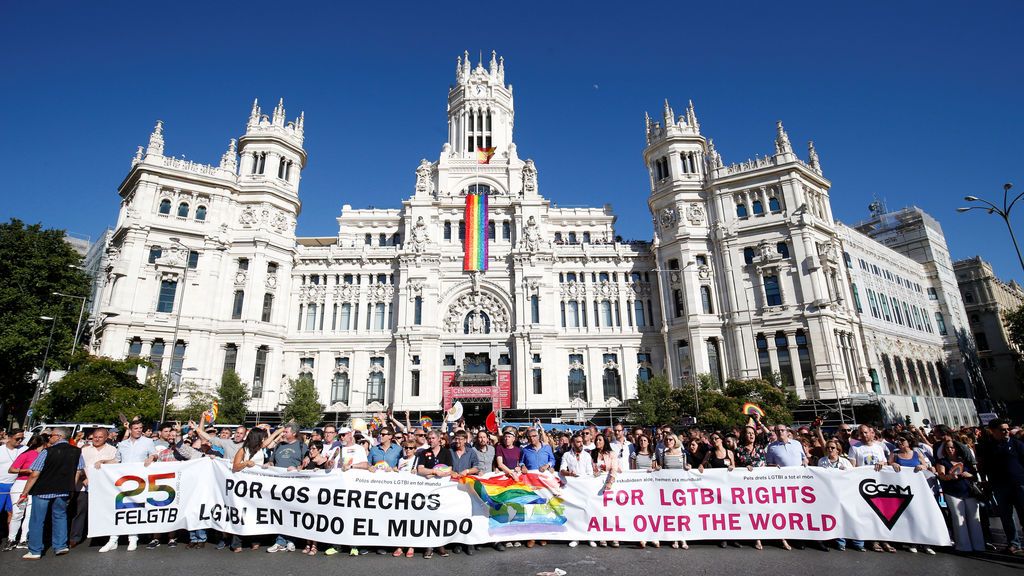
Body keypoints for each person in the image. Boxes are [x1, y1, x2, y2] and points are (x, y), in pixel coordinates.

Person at [17, 427, 84, 560]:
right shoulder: (77, 452)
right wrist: (71, 486)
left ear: (59, 436)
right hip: (63, 489)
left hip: (43, 489)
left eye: (51, 435)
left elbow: (35, 473)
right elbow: (78, 471)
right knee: (60, 516)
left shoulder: (47, 451)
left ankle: (35, 550)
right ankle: (60, 546)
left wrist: (24, 493)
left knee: (37, 520)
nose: (49, 438)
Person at [978, 418, 1024, 554]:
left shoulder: (1017, 444)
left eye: (1007, 429)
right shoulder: (986, 446)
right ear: (992, 431)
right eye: (1002, 430)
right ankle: (1014, 543)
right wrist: (984, 481)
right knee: (1006, 516)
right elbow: (982, 466)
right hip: (999, 486)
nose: (1006, 432)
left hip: (1019, 484)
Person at [847, 424, 893, 553]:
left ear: (871, 433)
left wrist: (882, 463)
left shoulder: (878, 448)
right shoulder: (855, 448)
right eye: (861, 433)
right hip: (864, 485)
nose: (864, 435)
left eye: (866, 432)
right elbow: (852, 467)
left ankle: (885, 540)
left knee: (882, 514)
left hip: (879, 484)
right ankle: (874, 540)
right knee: (869, 514)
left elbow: (885, 462)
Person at [936, 434, 985, 553]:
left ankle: (978, 545)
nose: (950, 449)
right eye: (947, 448)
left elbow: (975, 475)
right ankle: (963, 545)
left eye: (952, 447)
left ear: (957, 448)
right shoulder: (942, 461)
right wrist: (950, 476)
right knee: (958, 517)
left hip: (969, 491)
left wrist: (969, 475)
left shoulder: (965, 460)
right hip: (952, 492)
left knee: (974, 518)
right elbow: (941, 476)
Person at [70, 429, 118, 550]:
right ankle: (75, 537)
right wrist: (83, 478)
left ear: (106, 438)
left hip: (104, 487)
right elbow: (78, 467)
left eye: (100, 437)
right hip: (84, 486)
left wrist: (105, 461)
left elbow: (116, 465)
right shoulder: (84, 450)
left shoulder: (112, 450)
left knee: (104, 512)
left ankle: (103, 537)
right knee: (80, 511)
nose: (96, 439)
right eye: (94, 437)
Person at [115, 420, 157, 551]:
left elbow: (154, 454)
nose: (138, 430)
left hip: (140, 480)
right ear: (130, 429)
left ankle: (133, 538)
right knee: (119, 508)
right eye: (136, 428)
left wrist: (151, 458)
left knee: (135, 509)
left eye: (140, 428)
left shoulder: (148, 442)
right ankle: (113, 539)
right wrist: (103, 461)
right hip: (123, 480)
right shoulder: (122, 444)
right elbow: (116, 460)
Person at [765, 424, 807, 551]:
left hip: (800, 482)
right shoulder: (772, 447)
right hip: (784, 484)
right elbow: (769, 465)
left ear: (787, 431)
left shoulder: (796, 444)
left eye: (782, 430)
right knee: (788, 511)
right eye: (777, 431)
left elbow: (804, 458)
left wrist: (805, 462)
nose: (779, 432)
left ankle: (802, 538)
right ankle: (789, 537)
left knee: (801, 511)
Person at [267, 423, 307, 553]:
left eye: (285, 432)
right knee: (279, 512)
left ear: (294, 433)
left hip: (294, 484)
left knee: (292, 512)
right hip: (278, 484)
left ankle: (291, 540)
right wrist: (269, 464)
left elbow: (306, 465)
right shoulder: (279, 446)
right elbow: (273, 461)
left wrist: (297, 469)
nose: (283, 434)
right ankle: (280, 541)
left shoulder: (302, 446)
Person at [416, 430, 453, 558]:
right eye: (429, 438)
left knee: (441, 516)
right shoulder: (423, 453)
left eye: (432, 438)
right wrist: (434, 471)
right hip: (428, 489)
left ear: (438, 439)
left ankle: (441, 545)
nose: (430, 440)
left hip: (442, 489)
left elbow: (449, 469)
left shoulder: (446, 452)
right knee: (428, 516)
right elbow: (420, 469)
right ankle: (429, 546)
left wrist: (441, 473)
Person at [559, 432, 596, 549]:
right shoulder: (566, 455)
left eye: (581, 442)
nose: (581, 444)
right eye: (578, 442)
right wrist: (569, 473)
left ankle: (590, 537)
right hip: (573, 488)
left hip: (585, 487)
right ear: (572, 443)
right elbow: (562, 470)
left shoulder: (587, 455)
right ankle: (576, 537)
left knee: (588, 511)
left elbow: (590, 473)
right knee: (575, 513)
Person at [448, 430, 481, 555]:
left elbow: (477, 467)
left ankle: (469, 543)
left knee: (468, 514)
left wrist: (467, 470)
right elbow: (444, 466)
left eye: (461, 439)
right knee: (456, 515)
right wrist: (451, 472)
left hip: (467, 488)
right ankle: (458, 542)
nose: (458, 441)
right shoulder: (450, 451)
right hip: (452, 487)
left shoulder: (471, 452)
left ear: (465, 440)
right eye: (456, 439)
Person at [6, 431, 38, 550]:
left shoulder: (44, 455)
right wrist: (27, 471)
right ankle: (11, 539)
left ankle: (24, 539)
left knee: (30, 514)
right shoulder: (27, 454)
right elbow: (12, 469)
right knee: (18, 513)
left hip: (35, 486)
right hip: (21, 485)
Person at [591, 433, 621, 548]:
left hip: (609, 485)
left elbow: (614, 468)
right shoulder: (592, 453)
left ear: (605, 442)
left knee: (611, 512)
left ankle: (613, 536)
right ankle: (602, 536)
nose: (597, 442)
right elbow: (591, 468)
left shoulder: (612, 454)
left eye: (600, 440)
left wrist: (610, 481)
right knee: (599, 511)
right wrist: (594, 472)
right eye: (596, 440)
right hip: (596, 486)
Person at [0, 428, 27, 549]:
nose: (20, 440)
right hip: (1, 485)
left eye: (22, 438)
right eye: (17, 438)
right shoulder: (1, 450)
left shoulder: (24, 449)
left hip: (16, 485)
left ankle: (11, 537)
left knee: (13, 512)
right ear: (10, 437)